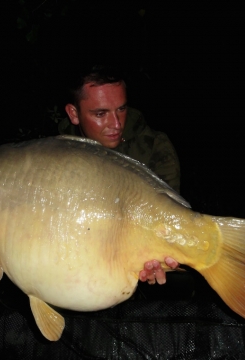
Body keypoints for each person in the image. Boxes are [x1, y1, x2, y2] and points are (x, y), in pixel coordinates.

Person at [58, 65, 180, 284]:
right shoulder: (57, 155)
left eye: (121, 109)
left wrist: (158, 259)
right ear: (73, 114)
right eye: (101, 114)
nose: (116, 124)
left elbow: (171, 221)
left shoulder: (155, 147)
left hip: (138, 274)